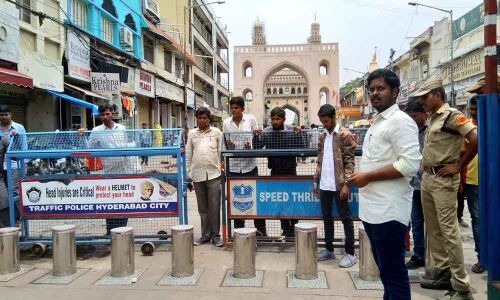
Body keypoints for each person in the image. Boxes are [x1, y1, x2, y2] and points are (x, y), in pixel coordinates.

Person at [348, 69, 421, 300]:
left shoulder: (400, 122)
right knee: (386, 272)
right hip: (374, 210)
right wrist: (364, 174)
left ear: (395, 92)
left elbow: (409, 165)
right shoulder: (378, 122)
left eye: (381, 88)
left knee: (393, 273)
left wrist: (367, 177)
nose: (375, 93)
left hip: (389, 212)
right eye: (371, 89)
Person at [415, 76, 477, 300]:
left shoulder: (453, 116)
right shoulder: (433, 118)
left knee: (449, 232)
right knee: (434, 231)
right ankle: (444, 273)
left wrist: (459, 165)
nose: (422, 101)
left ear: (437, 95)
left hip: (443, 180)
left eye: (425, 96)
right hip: (429, 179)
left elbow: (474, 138)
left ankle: (462, 287)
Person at [313, 104, 357, 268]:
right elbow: (319, 160)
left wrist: (347, 184)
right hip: (325, 184)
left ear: (333, 118)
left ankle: (351, 253)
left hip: (339, 184)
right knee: (326, 217)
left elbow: (350, 162)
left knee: (345, 217)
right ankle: (329, 249)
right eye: (321, 121)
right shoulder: (322, 136)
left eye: (326, 121)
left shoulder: (345, 135)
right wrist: (316, 181)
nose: (324, 124)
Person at [253, 107, 304, 238]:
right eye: (273, 119)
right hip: (275, 171)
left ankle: (294, 227)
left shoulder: (291, 131)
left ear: (283, 119)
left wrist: (300, 134)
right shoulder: (267, 132)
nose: (275, 121)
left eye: (278, 119)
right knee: (280, 200)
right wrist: (256, 135)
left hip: (290, 171)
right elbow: (257, 148)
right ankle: (286, 230)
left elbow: (301, 148)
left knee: (292, 200)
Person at [222, 96, 267, 236]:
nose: (234, 110)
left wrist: (253, 141)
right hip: (234, 167)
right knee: (236, 200)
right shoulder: (226, 123)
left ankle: (260, 231)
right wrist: (230, 146)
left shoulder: (251, 119)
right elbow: (225, 142)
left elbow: (258, 136)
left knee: (254, 199)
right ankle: (238, 230)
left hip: (250, 166)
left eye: (237, 108)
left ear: (242, 109)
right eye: (232, 108)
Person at [88, 104, 131, 235]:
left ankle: (123, 231)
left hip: (125, 171)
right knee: (111, 203)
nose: (105, 117)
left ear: (112, 113)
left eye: (107, 114)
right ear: (99, 116)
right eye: (102, 115)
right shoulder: (96, 131)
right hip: (109, 173)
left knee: (124, 202)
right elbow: (90, 148)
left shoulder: (122, 128)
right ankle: (110, 232)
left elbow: (127, 145)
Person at [186, 107, 223, 247]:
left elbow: (220, 153)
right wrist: (188, 173)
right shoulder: (192, 134)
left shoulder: (217, 132)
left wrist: (221, 169)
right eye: (199, 118)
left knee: (214, 206)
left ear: (209, 119)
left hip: (214, 174)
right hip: (197, 174)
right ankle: (205, 235)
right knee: (203, 207)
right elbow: (189, 154)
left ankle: (216, 236)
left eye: (204, 118)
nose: (202, 120)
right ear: (196, 118)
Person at [404, 99, 427, 270]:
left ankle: (437, 257)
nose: (412, 120)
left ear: (424, 115)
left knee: (435, 224)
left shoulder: (431, 132)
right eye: (409, 117)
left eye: (415, 116)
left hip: (431, 184)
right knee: (416, 221)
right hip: (412, 185)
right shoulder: (406, 133)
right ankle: (419, 254)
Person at [0, 105, 27, 224]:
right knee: (7, 191)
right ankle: (13, 218)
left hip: (16, 165)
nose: (4, 117)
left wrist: (24, 166)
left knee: (16, 191)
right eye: (1, 115)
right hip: (2, 165)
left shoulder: (19, 128)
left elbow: (24, 147)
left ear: (10, 115)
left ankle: (21, 217)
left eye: (6, 114)